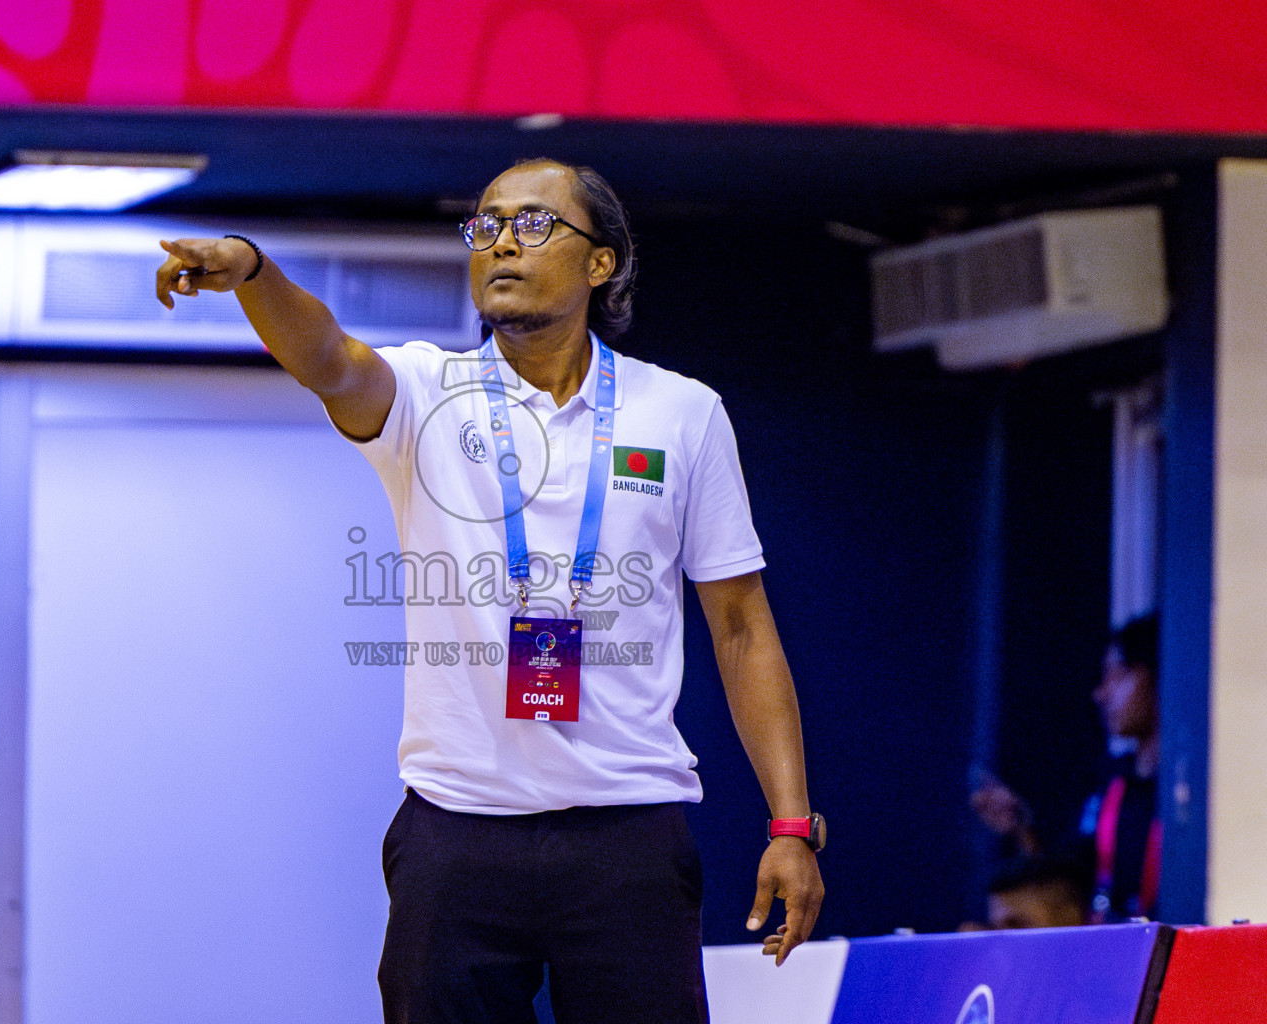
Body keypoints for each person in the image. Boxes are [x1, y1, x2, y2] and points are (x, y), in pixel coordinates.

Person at [156, 158, 823, 1024]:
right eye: (486, 224)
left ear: (601, 263)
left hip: (626, 834)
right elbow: (327, 358)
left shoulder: (683, 412)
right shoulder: (430, 393)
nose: (503, 239)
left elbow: (741, 628)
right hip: (455, 833)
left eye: (536, 224)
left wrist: (790, 825)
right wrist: (252, 268)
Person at [971, 613, 1160, 922]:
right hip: (1113, 953)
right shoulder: (1112, 782)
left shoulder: (1188, 792)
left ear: (1159, 675)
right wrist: (1020, 828)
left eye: (1119, 673)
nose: (1101, 693)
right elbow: (1066, 882)